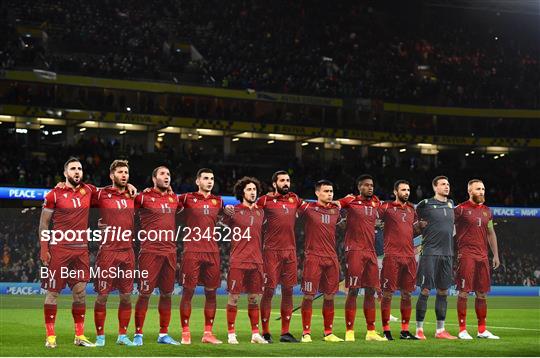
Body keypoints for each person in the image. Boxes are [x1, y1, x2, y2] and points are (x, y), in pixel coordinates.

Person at [39, 157, 97, 348]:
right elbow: (43, 224)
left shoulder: (89, 190)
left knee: (80, 294)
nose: (77, 172)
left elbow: (111, 193)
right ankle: (50, 337)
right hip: (59, 250)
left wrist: (128, 185)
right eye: (73, 169)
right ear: (65, 173)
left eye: (80, 168)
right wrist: (44, 248)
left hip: (80, 251)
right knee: (53, 292)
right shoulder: (53, 195)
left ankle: (79, 336)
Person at [133, 166, 180, 345]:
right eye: (162, 174)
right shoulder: (143, 197)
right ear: (154, 178)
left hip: (170, 252)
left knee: (167, 295)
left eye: (169, 174)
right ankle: (138, 334)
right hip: (149, 252)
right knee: (145, 294)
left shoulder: (174, 198)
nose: (166, 176)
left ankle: (163, 334)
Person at [337, 174, 387, 341]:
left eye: (371, 185)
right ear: (359, 187)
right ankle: (349, 331)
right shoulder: (350, 201)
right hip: (354, 251)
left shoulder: (376, 202)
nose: (370, 187)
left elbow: (381, 217)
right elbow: (334, 205)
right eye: (366, 185)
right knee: (353, 290)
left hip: (371, 252)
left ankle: (371, 331)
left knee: (371, 290)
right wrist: (341, 219)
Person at [92, 160, 137, 346]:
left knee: (126, 296)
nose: (124, 175)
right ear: (112, 175)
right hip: (108, 252)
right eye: (120, 172)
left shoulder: (133, 194)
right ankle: (100, 337)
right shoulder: (101, 193)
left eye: (126, 172)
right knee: (103, 295)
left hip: (127, 252)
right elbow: (81, 196)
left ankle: (122, 336)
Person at [178, 168, 224, 344]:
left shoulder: (218, 201)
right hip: (192, 252)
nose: (210, 181)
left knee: (211, 294)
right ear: (198, 181)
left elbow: (224, 219)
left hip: (212, 252)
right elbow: (167, 201)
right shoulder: (186, 198)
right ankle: (185, 332)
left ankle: (208, 334)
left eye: (212, 178)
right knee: (188, 292)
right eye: (205, 178)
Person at [223, 176, 268, 344]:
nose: (252, 192)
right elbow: (221, 219)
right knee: (233, 298)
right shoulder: (233, 211)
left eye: (254, 189)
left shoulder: (260, 212)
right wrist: (225, 210)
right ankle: (231, 334)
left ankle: (255, 334)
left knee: (254, 299)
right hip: (238, 261)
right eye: (249, 189)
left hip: (257, 261)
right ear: (242, 192)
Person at [455, 179, 500, 340]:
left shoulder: (487, 211)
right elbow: (447, 228)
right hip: (466, 255)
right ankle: (462, 330)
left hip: (482, 257)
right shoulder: (460, 209)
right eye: (478, 189)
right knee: (464, 292)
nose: (481, 192)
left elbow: (490, 233)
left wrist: (495, 255)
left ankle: (482, 330)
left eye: (483, 189)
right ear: (470, 191)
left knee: (482, 294)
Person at [299, 180, 343, 343]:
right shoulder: (308, 208)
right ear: (317, 193)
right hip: (313, 257)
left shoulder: (335, 209)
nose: (330, 194)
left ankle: (328, 332)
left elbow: (346, 201)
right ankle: (306, 333)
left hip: (331, 258)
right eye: (326, 191)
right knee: (309, 296)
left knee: (330, 296)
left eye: (331, 191)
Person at [414, 175, 457, 340]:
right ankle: (419, 330)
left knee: (443, 291)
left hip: (447, 254)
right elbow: (413, 222)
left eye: (448, 184)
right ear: (435, 187)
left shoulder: (451, 203)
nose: (447, 187)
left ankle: (440, 330)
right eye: (443, 184)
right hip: (430, 253)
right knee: (425, 290)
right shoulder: (425, 205)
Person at [378, 180, 420, 341]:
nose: (407, 192)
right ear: (395, 191)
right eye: (403, 190)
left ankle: (404, 331)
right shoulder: (386, 207)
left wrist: (421, 226)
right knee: (387, 294)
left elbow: (413, 230)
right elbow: (374, 221)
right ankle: (386, 330)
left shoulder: (411, 209)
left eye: (408, 190)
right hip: (392, 256)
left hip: (409, 257)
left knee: (407, 295)